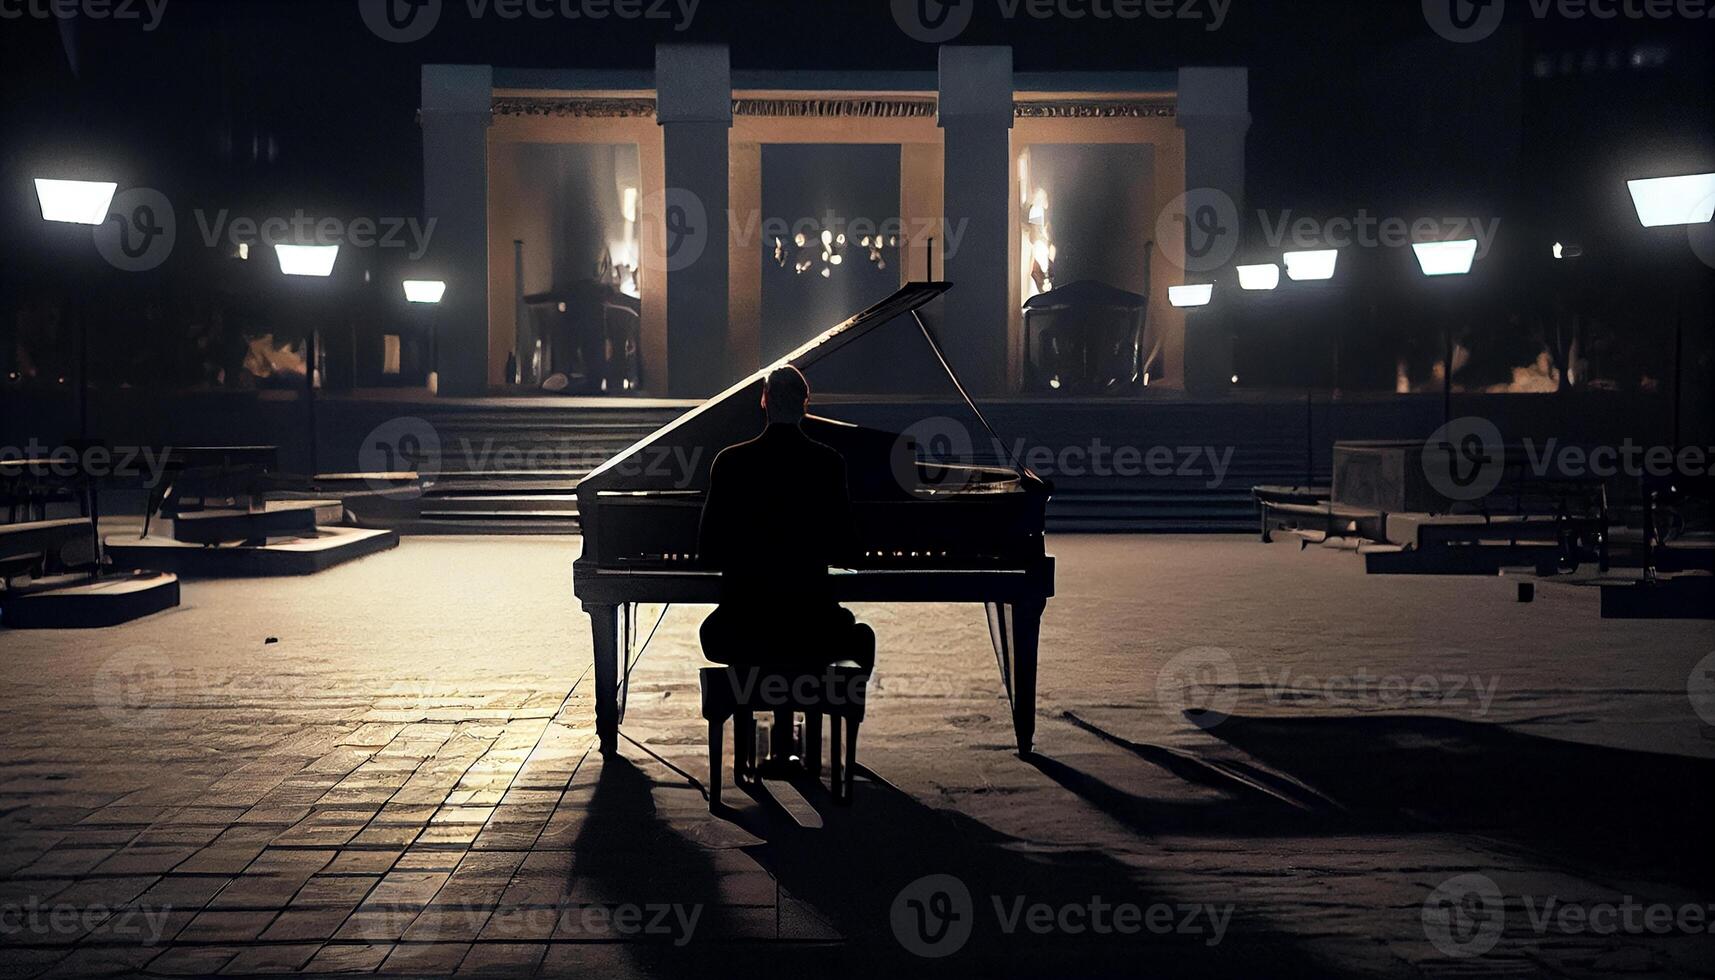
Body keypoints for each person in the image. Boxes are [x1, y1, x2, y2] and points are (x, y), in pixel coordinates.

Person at [697, 365, 875, 673]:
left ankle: (747, 699)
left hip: (741, 628)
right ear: (805, 404)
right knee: (859, 636)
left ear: (764, 400)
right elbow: (850, 550)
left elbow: (708, 551)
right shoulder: (828, 463)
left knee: (711, 634)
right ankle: (825, 702)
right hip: (810, 627)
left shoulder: (729, 462)